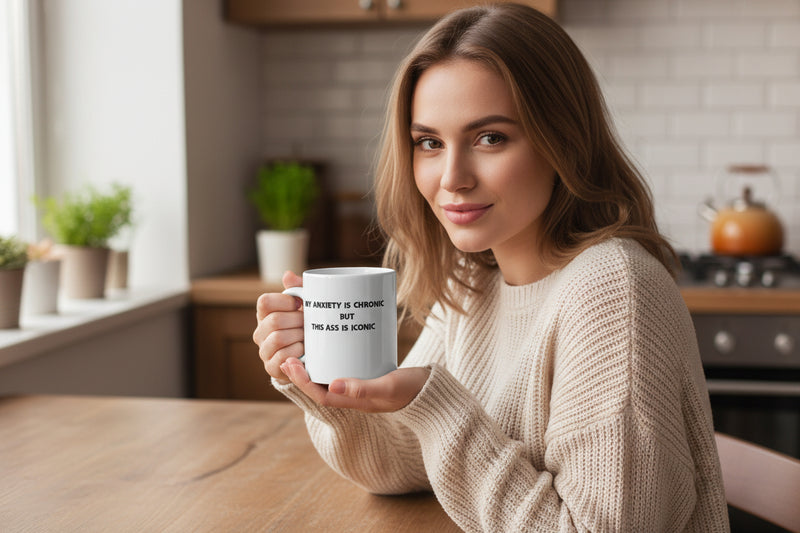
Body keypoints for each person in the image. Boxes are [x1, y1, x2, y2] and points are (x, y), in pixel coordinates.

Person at [253, 3, 730, 531]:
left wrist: (434, 406)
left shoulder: (612, 289)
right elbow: (402, 466)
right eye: (429, 143)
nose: (452, 177)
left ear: (562, 141)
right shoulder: (474, 279)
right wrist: (325, 383)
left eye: (490, 138)